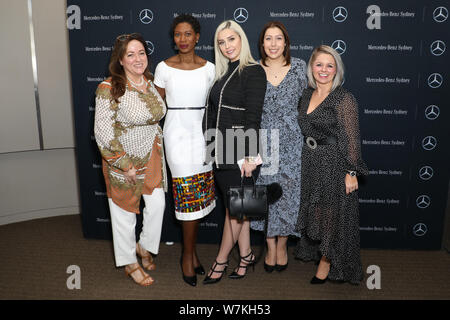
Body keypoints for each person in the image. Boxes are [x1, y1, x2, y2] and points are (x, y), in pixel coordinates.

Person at [94, 33, 167, 286]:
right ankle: (129, 262)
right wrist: (122, 163)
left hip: (153, 155)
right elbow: (103, 133)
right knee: (124, 214)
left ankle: (144, 245)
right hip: (124, 161)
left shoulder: (149, 82)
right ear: (121, 60)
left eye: (142, 53)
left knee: (157, 205)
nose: (138, 59)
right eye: (131, 54)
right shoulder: (109, 88)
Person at [294, 45, 368, 284]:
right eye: (319, 64)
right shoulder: (306, 94)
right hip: (310, 160)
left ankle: (326, 261)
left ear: (337, 69)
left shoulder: (344, 99)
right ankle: (322, 251)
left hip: (334, 162)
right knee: (316, 209)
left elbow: (351, 137)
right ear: (311, 67)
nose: (323, 70)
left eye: (329, 65)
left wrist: (351, 171)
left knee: (332, 213)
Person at [153, 14, 216, 287]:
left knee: (200, 195)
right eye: (178, 34)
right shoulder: (163, 67)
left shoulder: (210, 68)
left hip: (204, 135)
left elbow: (217, 105)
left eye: (188, 34)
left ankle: (193, 252)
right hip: (176, 134)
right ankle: (186, 256)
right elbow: (155, 108)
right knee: (187, 195)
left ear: (197, 36)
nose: (182, 39)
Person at [202, 20, 266, 284]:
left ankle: (220, 260)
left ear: (242, 39)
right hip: (221, 150)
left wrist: (250, 157)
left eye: (231, 39)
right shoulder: (222, 72)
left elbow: (253, 117)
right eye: (221, 42)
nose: (227, 46)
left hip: (241, 151)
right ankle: (247, 254)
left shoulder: (252, 71)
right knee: (239, 208)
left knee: (235, 211)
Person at [250, 21, 307, 273]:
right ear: (261, 44)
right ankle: (269, 245)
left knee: (289, 195)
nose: (273, 44)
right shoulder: (252, 69)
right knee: (267, 193)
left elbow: (309, 103)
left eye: (278, 38)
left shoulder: (299, 67)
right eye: (268, 39)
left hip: (293, 141)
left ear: (286, 42)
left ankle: (282, 245)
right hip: (264, 141)